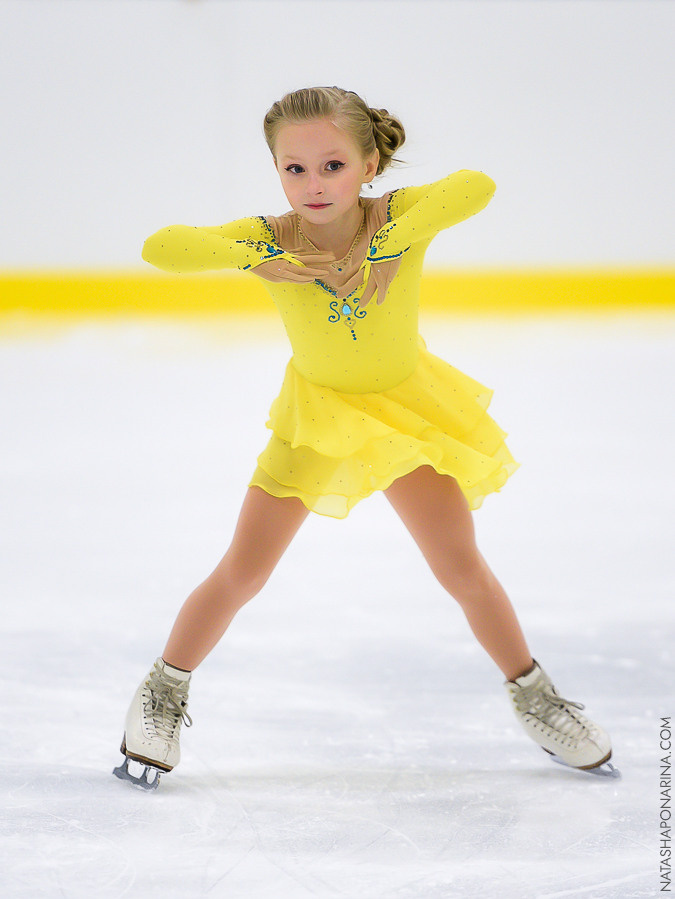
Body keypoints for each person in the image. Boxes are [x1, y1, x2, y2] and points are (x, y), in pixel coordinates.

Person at [114, 86, 613, 789]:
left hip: (404, 417)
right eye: (293, 169)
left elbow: (476, 186)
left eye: (332, 165)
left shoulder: (397, 215)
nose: (313, 185)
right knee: (244, 571)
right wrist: (253, 260)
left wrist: (387, 245)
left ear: (369, 163)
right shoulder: (269, 237)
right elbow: (161, 248)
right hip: (315, 421)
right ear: (276, 170)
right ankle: (163, 691)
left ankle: (536, 697)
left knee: (461, 569)